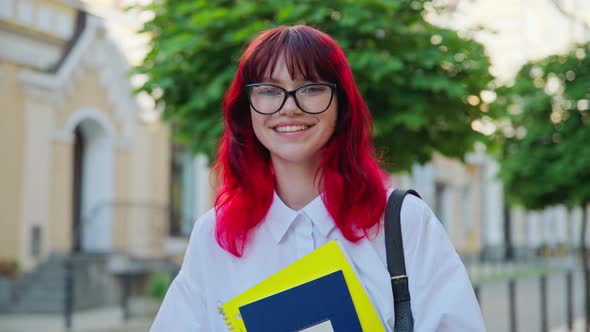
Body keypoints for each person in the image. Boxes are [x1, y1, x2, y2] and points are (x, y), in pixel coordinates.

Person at [150, 25, 485, 332]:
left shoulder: (403, 222)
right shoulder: (215, 236)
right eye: (269, 90)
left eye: (310, 88)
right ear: (246, 108)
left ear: (341, 103)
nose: (289, 107)